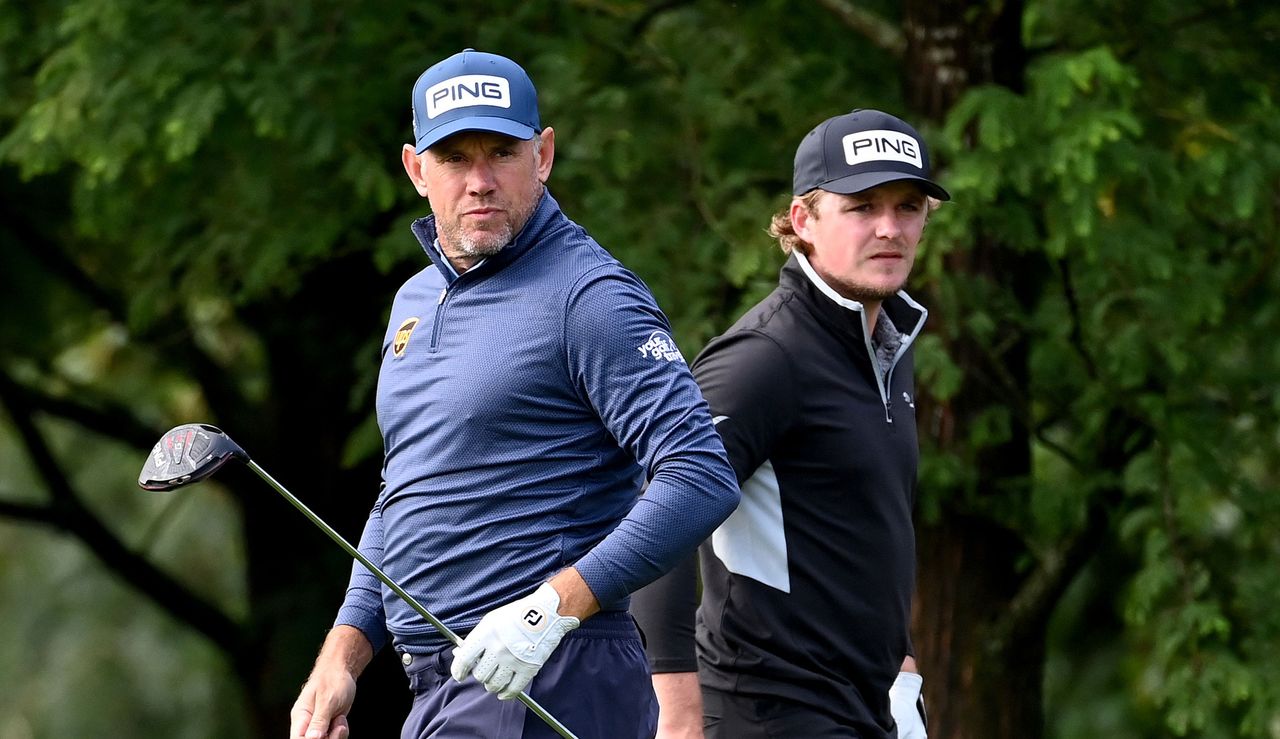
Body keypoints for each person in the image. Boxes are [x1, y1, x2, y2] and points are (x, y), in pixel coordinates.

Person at [288, 49, 740, 739]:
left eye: (502, 151)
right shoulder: (413, 302)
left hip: (556, 674)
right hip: (444, 682)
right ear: (416, 170)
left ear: (545, 154)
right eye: (454, 159)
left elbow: (700, 475)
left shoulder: (589, 296)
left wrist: (550, 609)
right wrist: (344, 652)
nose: (480, 180)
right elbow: (405, 489)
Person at [631, 108, 949, 738]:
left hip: (867, 708)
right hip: (766, 711)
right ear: (803, 220)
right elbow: (657, 526)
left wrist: (903, 668)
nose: (889, 228)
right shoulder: (765, 357)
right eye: (861, 207)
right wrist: (678, 716)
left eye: (907, 206)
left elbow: (868, 530)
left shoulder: (886, 342)